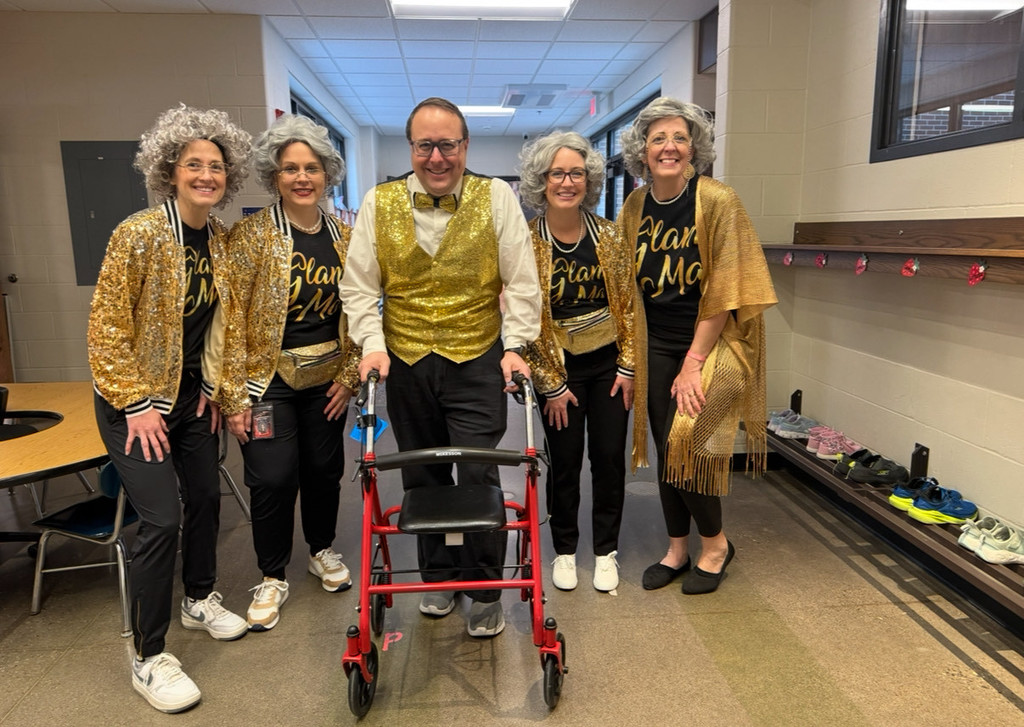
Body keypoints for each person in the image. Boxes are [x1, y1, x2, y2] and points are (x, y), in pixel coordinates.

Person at [339, 97, 541, 637]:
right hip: (403, 361)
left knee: (476, 470)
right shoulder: (377, 203)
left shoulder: (496, 197)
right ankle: (438, 576)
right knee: (421, 471)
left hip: (477, 358)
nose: (436, 156)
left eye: (447, 144)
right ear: (410, 148)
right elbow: (359, 287)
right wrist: (372, 345)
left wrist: (516, 343)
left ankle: (483, 588)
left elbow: (522, 279)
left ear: (465, 147)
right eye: (425, 145)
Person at [87, 104, 252, 713]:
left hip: (189, 401)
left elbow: (222, 324)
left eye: (215, 166)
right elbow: (106, 328)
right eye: (194, 165)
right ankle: (148, 655)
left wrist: (214, 385)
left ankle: (199, 597)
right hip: (133, 405)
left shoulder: (221, 241)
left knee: (207, 498)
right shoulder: (138, 234)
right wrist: (134, 405)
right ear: (170, 170)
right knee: (160, 520)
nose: (206, 175)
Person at [617, 97, 777, 595]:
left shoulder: (717, 201)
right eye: (658, 138)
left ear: (694, 149)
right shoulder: (635, 206)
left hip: (711, 344)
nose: (669, 147)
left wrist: (693, 363)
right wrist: (628, 361)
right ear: (642, 151)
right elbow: (627, 285)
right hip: (654, 345)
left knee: (690, 444)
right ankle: (677, 548)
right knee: (669, 450)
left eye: (679, 138)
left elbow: (726, 290)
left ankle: (716, 545)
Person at [218, 114, 360, 632]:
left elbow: (363, 311)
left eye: (312, 168)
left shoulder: (346, 237)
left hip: (328, 381)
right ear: (273, 176)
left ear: (328, 174)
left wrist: (350, 376)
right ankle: (271, 573)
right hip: (265, 384)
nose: (303, 177)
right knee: (273, 478)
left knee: (324, 472)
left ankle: (321, 549)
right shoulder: (250, 236)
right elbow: (229, 320)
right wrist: (233, 396)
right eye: (290, 169)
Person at [517, 131, 635, 592]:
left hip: (609, 370)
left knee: (608, 459)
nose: (567, 182)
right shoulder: (525, 241)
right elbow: (523, 318)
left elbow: (628, 306)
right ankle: (565, 550)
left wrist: (627, 366)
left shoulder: (609, 236)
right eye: (557, 173)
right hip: (557, 371)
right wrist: (549, 382)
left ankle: (606, 551)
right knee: (564, 463)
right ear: (541, 180)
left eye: (576, 173)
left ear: (590, 180)